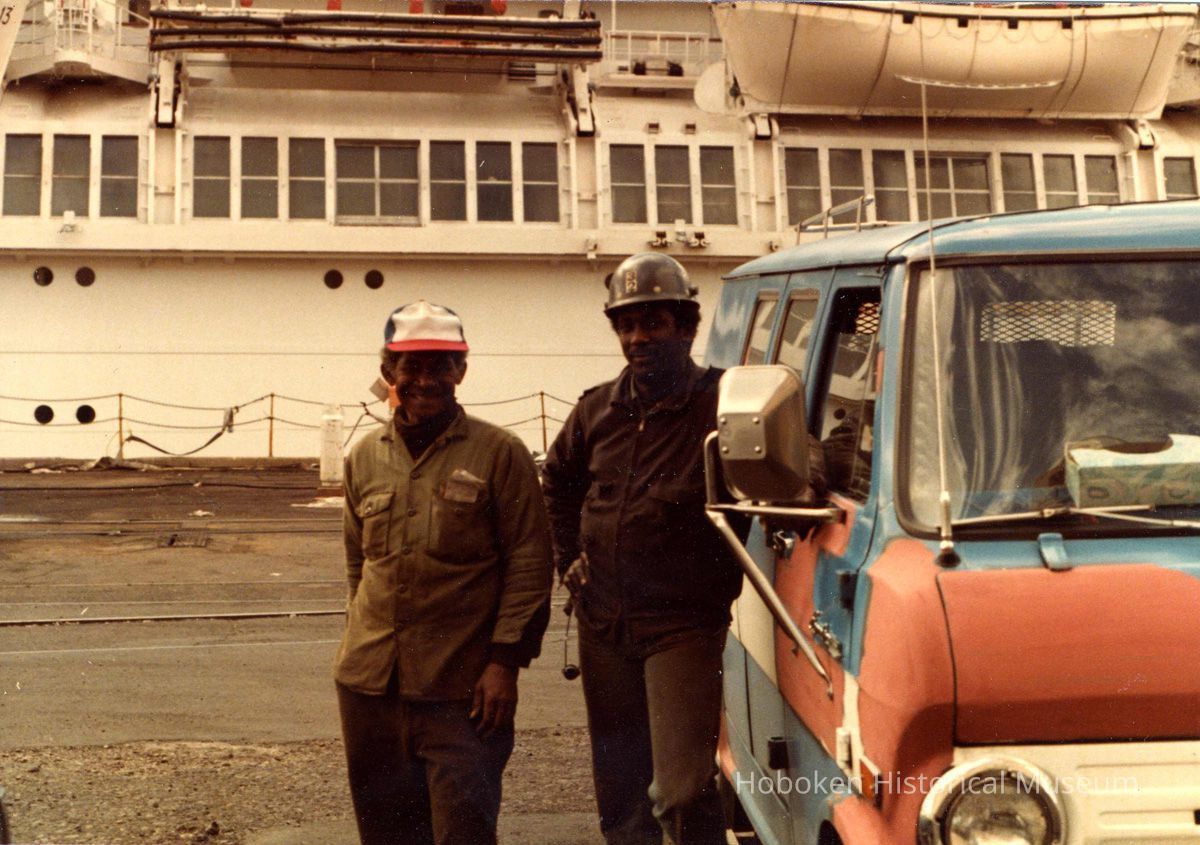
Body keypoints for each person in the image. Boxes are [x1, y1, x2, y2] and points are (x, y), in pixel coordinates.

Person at [334, 300, 553, 845]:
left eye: (440, 365)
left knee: (463, 832)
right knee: (386, 834)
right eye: (411, 366)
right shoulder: (363, 456)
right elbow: (357, 564)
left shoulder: (500, 453)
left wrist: (505, 663)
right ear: (389, 373)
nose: (425, 380)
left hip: (462, 692)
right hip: (371, 688)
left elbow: (530, 562)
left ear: (462, 370)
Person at [541, 253, 739, 845]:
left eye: (652, 323)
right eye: (626, 325)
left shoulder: (723, 403)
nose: (638, 338)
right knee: (622, 794)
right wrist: (568, 555)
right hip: (604, 622)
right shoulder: (596, 409)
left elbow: (786, 463)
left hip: (681, 624)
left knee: (681, 791)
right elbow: (558, 480)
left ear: (686, 326)